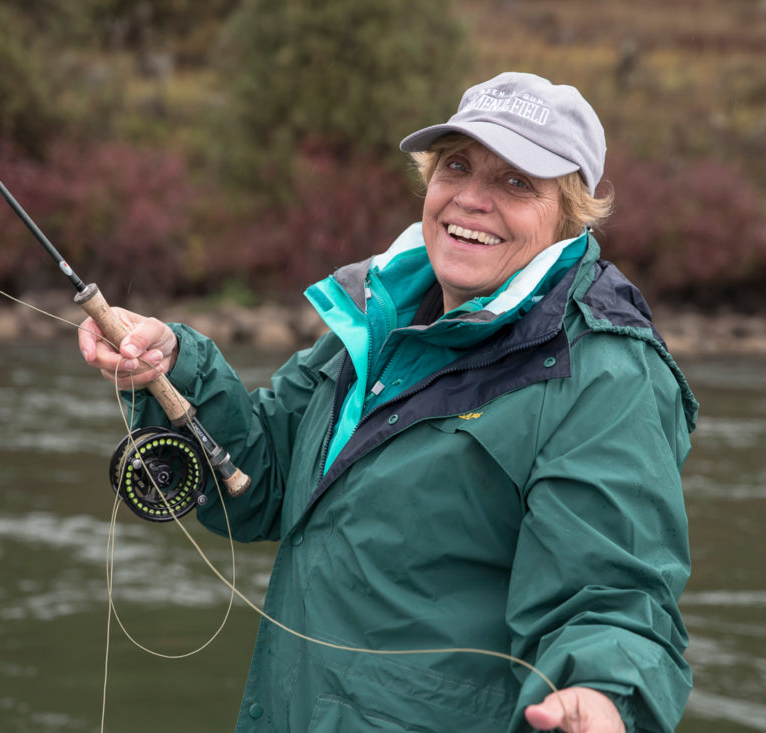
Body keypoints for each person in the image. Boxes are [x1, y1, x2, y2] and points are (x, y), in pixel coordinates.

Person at [79, 71, 697, 733]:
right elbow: (259, 482)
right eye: (456, 166)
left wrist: (601, 696)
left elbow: (612, 597)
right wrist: (177, 364)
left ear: (570, 214)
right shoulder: (381, 317)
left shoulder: (608, 374)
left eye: (516, 182)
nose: (472, 199)